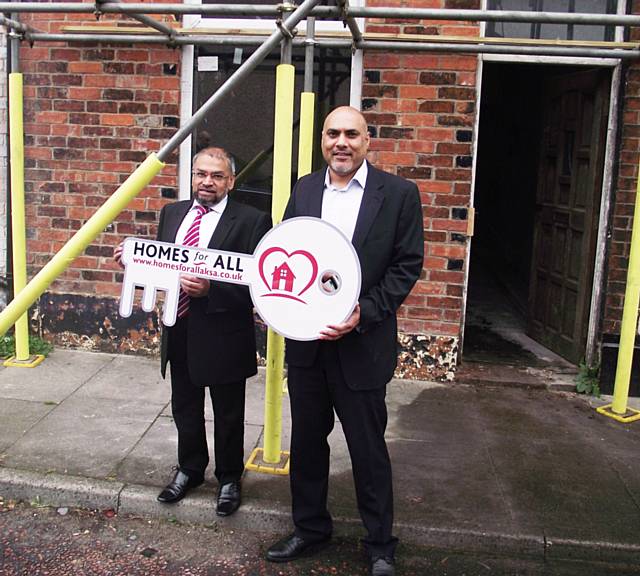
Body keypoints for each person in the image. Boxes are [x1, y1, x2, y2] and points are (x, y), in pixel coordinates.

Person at [265, 107, 424, 576]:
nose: (341, 142)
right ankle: (310, 529)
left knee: (367, 449)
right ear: (322, 140)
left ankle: (380, 545)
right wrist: (275, 302)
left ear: (367, 140)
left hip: (363, 344)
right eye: (333, 133)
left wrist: (364, 314)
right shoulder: (305, 189)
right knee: (308, 443)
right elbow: (285, 251)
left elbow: (405, 266)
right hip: (309, 346)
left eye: (351, 134)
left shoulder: (398, 194)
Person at [115, 146, 271, 516]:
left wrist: (211, 290)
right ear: (191, 176)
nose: (207, 181)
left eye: (216, 176)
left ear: (231, 181)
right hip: (180, 328)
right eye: (201, 173)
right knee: (185, 407)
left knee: (228, 413)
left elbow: (258, 285)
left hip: (224, 333)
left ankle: (230, 478)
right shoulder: (172, 213)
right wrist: (134, 263)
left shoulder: (252, 221)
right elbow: (162, 267)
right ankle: (190, 470)